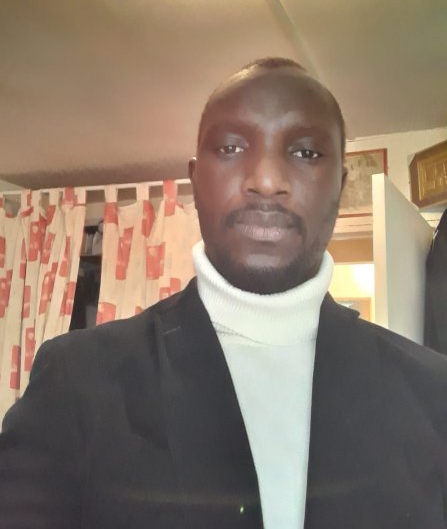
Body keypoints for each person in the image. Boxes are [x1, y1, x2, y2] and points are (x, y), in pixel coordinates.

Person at [1, 58, 446, 529]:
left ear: (340, 182)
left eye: (306, 152)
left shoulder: (433, 393)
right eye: (231, 147)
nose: (267, 181)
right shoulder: (76, 381)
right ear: (195, 180)